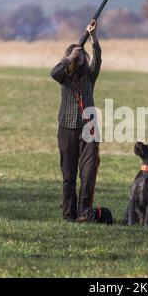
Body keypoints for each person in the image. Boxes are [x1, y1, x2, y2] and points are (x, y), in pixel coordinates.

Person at [50, 19, 101, 222]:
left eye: (81, 55)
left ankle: (84, 213)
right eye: (77, 56)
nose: (80, 58)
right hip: (67, 128)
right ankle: (68, 215)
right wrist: (71, 55)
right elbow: (53, 73)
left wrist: (93, 36)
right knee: (68, 176)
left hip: (89, 129)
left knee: (88, 174)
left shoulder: (90, 75)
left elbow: (98, 58)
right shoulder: (63, 76)